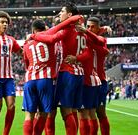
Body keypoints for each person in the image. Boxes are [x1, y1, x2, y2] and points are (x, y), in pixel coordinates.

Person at [30, 2, 86, 135]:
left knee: (58, 112)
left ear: (69, 15)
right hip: (79, 73)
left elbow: (51, 39)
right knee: (72, 110)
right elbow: (88, 53)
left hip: (65, 73)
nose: (60, 14)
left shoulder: (67, 30)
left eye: (62, 11)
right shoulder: (82, 31)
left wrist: (33, 36)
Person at [22, 19, 57, 135]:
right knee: (43, 113)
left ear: (33, 30)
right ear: (45, 29)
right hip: (45, 79)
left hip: (30, 80)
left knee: (29, 115)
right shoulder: (50, 41)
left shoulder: (27, 44)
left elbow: (26, 64)